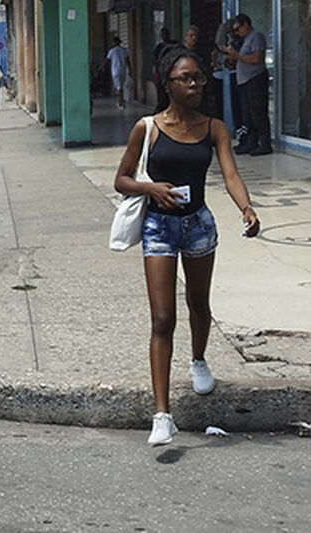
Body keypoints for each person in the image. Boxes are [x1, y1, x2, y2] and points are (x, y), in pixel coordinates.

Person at [113, 47, 260, 446]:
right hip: (159, 228)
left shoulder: (214, 128)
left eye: (199, 77)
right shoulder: (147, 128)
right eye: (187, 79)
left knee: (199, 303)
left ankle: (198, 359)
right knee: (162, 318)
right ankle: (162, 415)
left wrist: (246, 207)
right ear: (168, 84)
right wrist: (150, 188)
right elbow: (121, 179)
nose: (196, 84)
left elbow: (230, 173)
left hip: (198, 227)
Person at [224, 14, 272, 155]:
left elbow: (256, 58)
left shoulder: (256, 36)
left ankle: (264, 142)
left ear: (246, 24)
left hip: (255, 78)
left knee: (258, 111)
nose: (237, 32)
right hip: (244, 81)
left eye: (238, 29)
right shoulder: (244, 40)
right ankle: (252, 141)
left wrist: (237, 56)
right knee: (247, 114)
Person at [106, 37, 131, 108]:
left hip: (115, 71)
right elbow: (128, 61)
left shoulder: (111, 51)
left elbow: (107, 60)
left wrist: (101, 67)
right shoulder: (124, 50)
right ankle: (121, 100)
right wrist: (130, 70)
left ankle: (121, 102)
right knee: (121, 86)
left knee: (119, 87)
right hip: (123, 70)